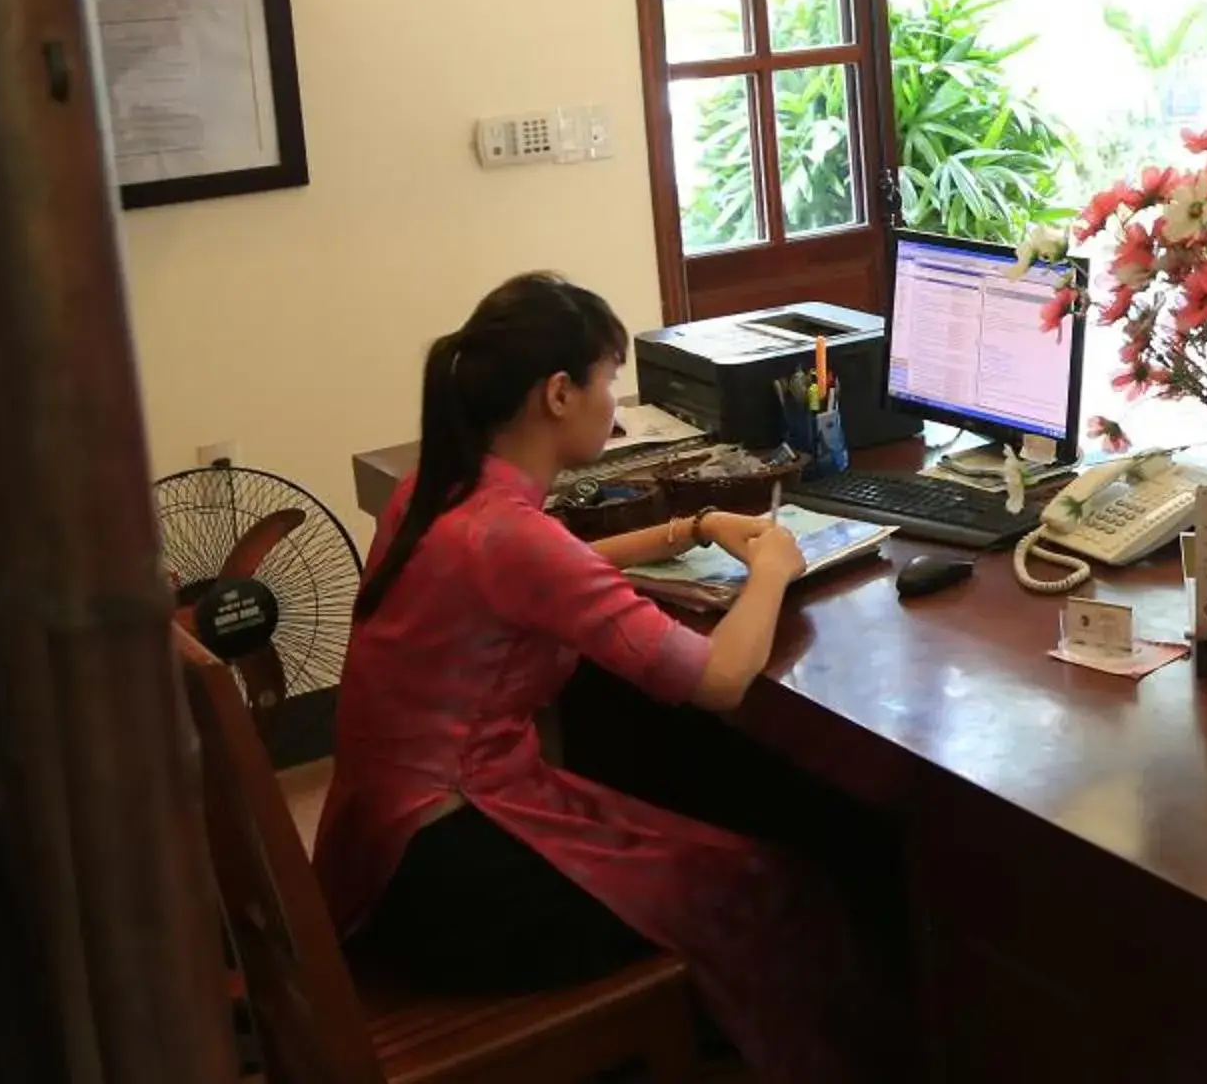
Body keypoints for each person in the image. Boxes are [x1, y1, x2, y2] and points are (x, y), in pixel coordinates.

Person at [314, 273, 886, 1082]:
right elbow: (721, 680)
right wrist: (773, 566)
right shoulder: (511, 538)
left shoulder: (434, 492)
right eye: (607, 379)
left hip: (387, 855)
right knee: (775, 883)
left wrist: (689, 526)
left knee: (688, 797)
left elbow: (550, 564)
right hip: (459, 888)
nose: (613, 406)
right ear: (557, 393)